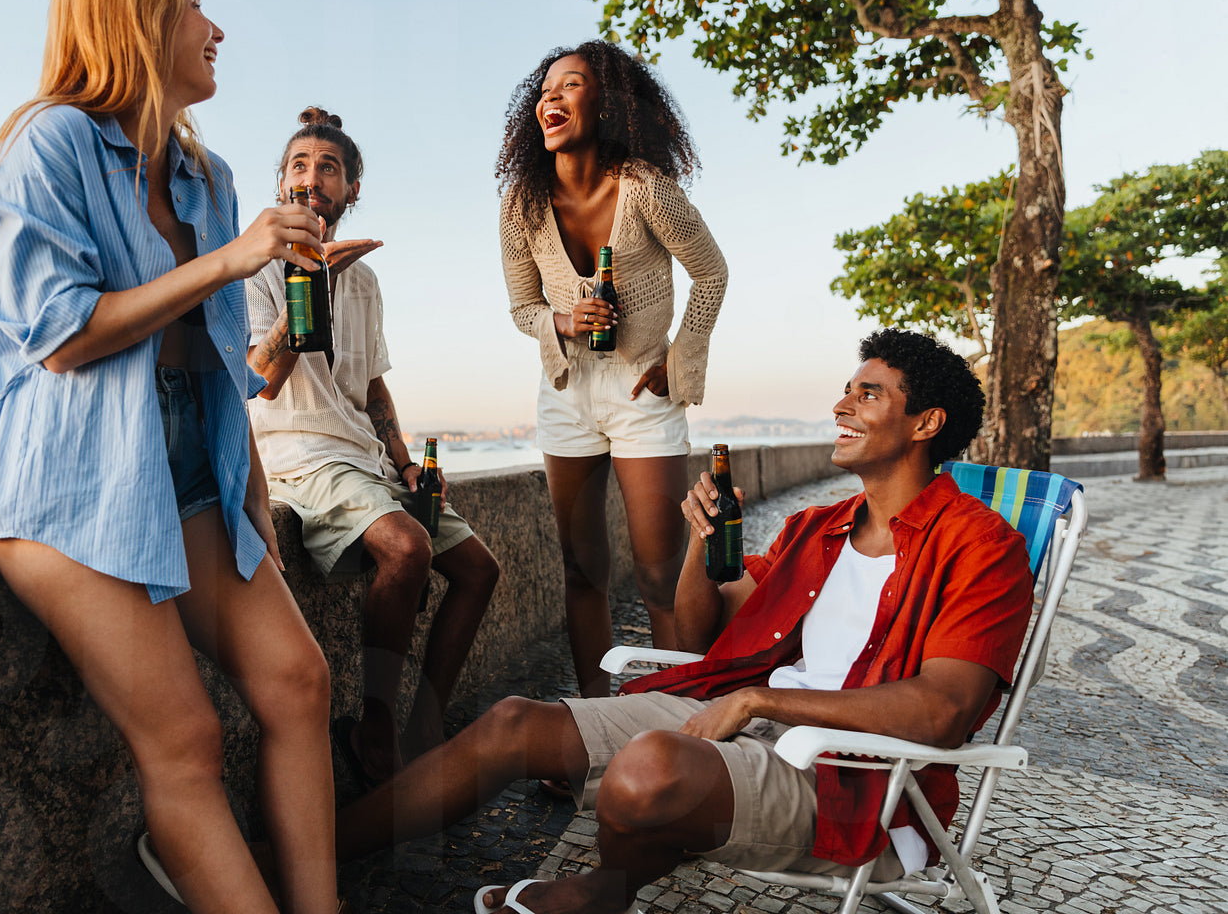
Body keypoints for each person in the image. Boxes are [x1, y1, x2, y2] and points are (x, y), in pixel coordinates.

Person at [334, 329, 1035, 914]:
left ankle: (603, 892)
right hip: (747, 725)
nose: (840, 405)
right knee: (513, 723)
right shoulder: (818, 528)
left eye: (868, 394)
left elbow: (942, 711)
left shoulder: (982, 549)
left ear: (926, 424)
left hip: (856, 782)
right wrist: (703, 543)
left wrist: (759, 700)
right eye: (847, 388)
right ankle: (312, 853)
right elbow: (700, 635)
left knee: (648, 769)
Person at [0, 0, 340, 914]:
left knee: (298, 680)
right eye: (194, 7)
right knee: (186, 741)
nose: (217, 28)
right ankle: (191, 853)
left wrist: (251, 495)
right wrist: (231, 260)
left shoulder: (207, 174)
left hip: (186, 472)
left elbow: (215, 357)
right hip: (66, 481)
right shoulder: (47, 145)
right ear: (138, 22)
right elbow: (62, 337)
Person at [246, 108, 502, 785]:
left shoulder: (365, 280)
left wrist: (406, 461)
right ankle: (376, 730)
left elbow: (373, 386)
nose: (311, 178)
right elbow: (260, 381)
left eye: (328, 168)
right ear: (280, 183)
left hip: (366, 460)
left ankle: (426, 727)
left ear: (351, 189)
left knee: (479, 571)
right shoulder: (256, 264)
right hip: (300, 458)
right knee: (406, 548)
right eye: (298, 165)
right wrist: (312, 283)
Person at [498, 40, 729, 701]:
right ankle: (596, 726)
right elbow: (522, 308)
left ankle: (680, 721)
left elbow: (712, 273)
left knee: (660, 576)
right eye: (545, 88)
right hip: (566, 392)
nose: (551, 95)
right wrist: (562, 321)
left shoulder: (646, 188)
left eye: (570, 84)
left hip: (642, 392)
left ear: (607, 102)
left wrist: (679, 360)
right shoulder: (521, 206)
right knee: (582, 572)